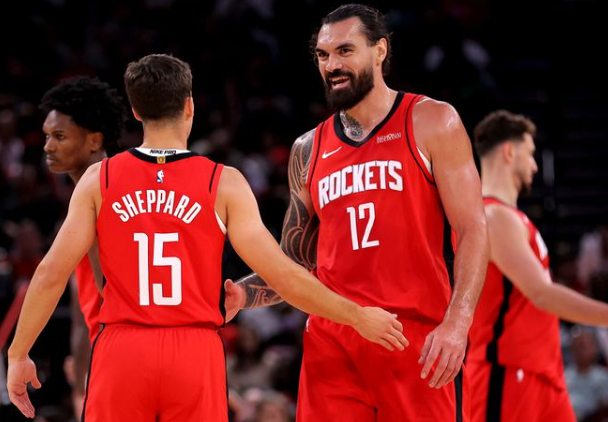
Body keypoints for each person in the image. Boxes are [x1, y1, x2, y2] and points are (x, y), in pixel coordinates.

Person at [6, 54, 406, 421]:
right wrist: (358, 317)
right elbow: (284, 276)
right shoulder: (223, 182)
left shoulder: (99, 179)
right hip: (194, 350)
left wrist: (19, 353)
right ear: (189, 106)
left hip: (122, 349)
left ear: (136, 111)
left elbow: (51, 274)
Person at [225, 4, 489, 421]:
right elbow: (294, 263)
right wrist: (242, 295)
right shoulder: (307, 149)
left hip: (415, 337)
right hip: (333, 343)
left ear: (380, 50)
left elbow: (473, 229)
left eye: (345, 51)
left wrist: (458, 323)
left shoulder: (431, 120)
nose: (332, 65)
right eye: (323, 55)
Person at [467, 109, 608, 422]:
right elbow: (541, 293)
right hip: (507, 374)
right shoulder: (493, 215)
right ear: (509, 151)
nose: (534, 165)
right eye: (530, 153)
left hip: (544, 376)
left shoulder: (515, 219)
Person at [39, 75, 125, 418]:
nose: (48, 147)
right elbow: (82, 313)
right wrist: (81, 387)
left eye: (59, 136)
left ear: (94, 140)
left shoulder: (112, 193)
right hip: (100, 361)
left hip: (123, 358)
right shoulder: (82, 201)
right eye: (47, 136)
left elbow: (115, 297)